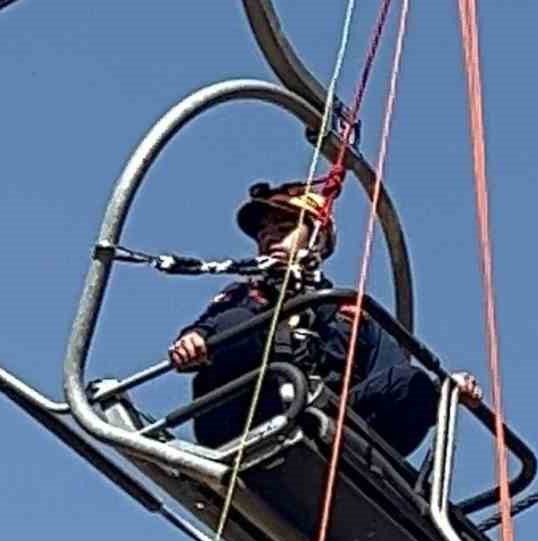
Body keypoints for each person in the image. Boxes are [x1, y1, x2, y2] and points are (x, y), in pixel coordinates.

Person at [168, 179, 478, 455]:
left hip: (325, 426)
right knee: (236, 323)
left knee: (412, 382)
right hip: (246, 418)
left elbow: (394, 377)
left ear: (318, 239)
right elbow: (207, 329)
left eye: (284, 230)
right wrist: (192, 341)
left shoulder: (352, 313)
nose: (270, 239)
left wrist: (445, 393)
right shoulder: (244, 295)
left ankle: (350, 462)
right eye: (263, 233)